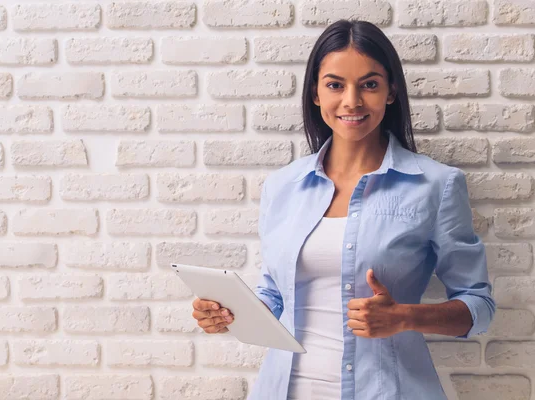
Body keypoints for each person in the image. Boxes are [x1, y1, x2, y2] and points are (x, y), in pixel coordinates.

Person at [191, 19, 495, 400]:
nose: (351, 101)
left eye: (369, 84)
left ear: (390, 92)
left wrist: (403, 317)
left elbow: (478, 306)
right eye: (335, 84)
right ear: (316, 94)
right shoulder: (283, 186)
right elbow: (276, 294)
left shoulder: (435, 185)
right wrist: (227, 313)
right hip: (285, 390)